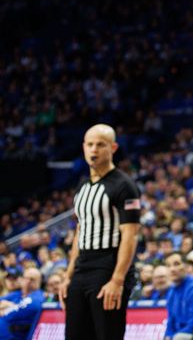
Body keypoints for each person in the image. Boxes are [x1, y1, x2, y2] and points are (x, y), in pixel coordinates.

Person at [59, 124, 141, 340]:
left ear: (113, 148)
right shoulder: (83, 186)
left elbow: (130, 236)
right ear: (83, 147)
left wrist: (117, 280)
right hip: (82, 268)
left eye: (100, 145)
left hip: (108, 267)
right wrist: (68, 276)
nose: (94, 150)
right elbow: (80, 230)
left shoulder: (124, 185)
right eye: (90, 144)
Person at [0, 267, 44, 340]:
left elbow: (9, 314)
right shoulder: (17, 294)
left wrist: (9, 306)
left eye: (32, 279)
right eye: (26, 278)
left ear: (39, 281)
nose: (28, 281)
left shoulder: (36, 298)